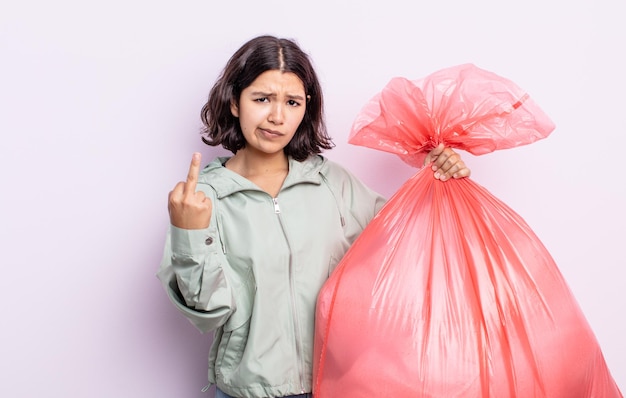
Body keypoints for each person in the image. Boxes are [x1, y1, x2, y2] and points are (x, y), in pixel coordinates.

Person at [158, 35, 471, 398]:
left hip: (336, 386)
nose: (277, 116)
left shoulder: (331, 183)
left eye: (291, 102)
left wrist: (438, 180)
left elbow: (405, 247)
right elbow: (207, 313)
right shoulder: (202, 199)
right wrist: (190, 234)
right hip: (247, 392)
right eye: (262, 99)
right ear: (234, 102)